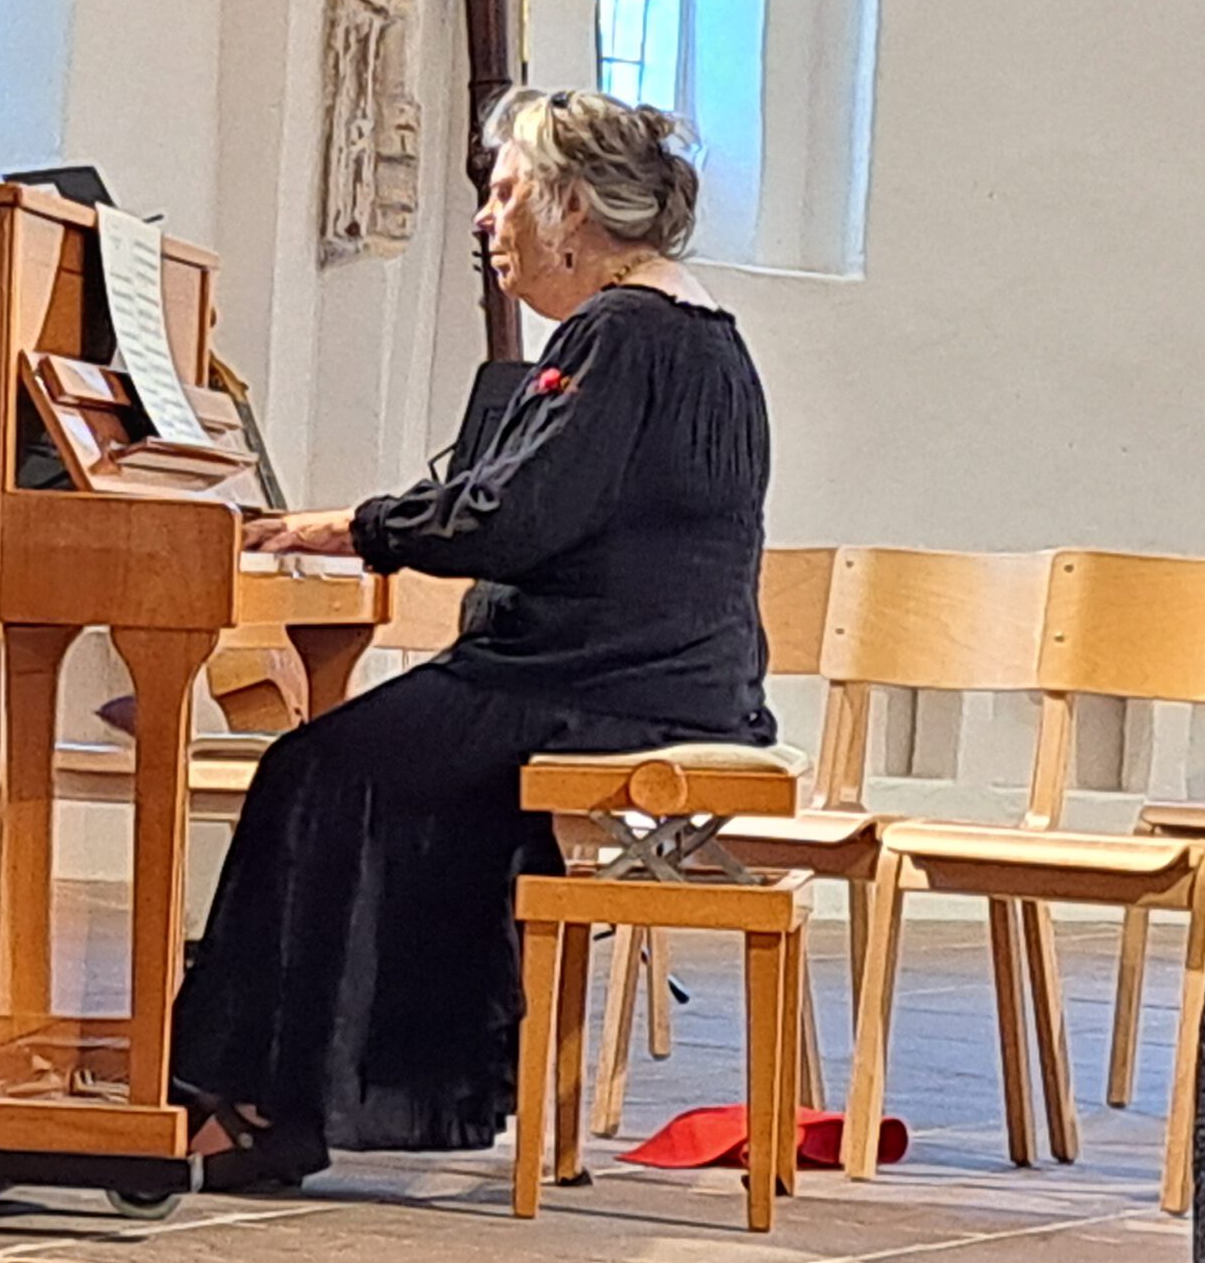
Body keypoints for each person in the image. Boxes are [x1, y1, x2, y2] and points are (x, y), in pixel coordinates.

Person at [168, 87, 775, 1191]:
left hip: (598, 682)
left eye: (502, 195)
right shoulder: (692, 333)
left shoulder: (621, 337)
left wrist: (355, 529)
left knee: (314, 768)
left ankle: (252, 1102)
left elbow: (515, 516)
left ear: (571, 209)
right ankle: (320, 1088)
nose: (486, 222)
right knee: (373, 767)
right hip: (661, 676)